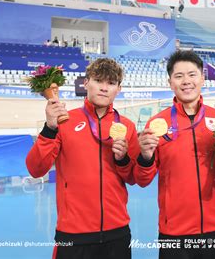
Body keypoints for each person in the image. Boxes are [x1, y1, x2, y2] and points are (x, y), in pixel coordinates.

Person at [133, 50, 215, 259]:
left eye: (192, 74)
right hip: (175, 233)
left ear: (202, 78)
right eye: (179, 76)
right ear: (170, 82)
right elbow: (142, 179)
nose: (186, 81)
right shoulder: (157, 124)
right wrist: (145, 156)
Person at [26, 58, 140, 259]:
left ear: (118, 88)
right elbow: (36, 169)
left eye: (111, 83)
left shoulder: (127, 126)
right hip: (74, 233)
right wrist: (50, 128)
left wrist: (122, 159)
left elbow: (133, 177)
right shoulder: (64, 121)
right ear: (86, 83)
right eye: (98, 80)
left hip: (117, 231)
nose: (104, 88)